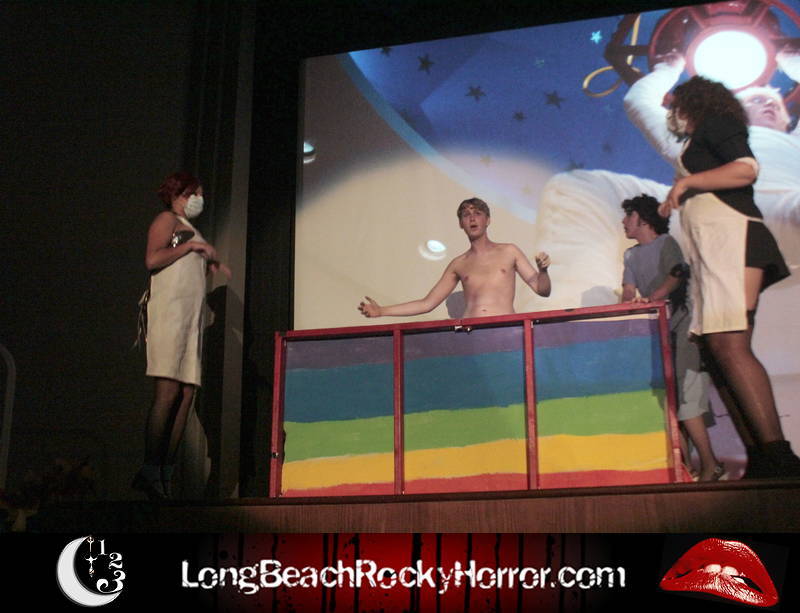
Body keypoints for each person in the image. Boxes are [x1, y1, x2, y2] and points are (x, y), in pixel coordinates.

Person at [658, 75, 800, 478]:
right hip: (713, 251)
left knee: (731, 343)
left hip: (734, 241)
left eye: (677, 107)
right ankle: (760, 458)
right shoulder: (698, 138)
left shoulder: (717, 124)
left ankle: (779, 456)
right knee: (716, 350)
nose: (673, 116)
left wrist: (688, 182)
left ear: (693, 103)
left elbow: (744, 169)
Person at [623, 48, 800, 274]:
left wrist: (791, 60)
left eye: (776, 104)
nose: (769, 105)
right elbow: (639, 101)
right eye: (757, 100)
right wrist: (668, 68)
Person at [133, 172, 231, 499]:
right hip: (170, 315)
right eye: (194, 194)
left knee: (187, 394)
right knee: (168, 390)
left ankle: (166, 470)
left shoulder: (189, 228)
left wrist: (206, 261)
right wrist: (191, 246)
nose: (199, 199)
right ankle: (150, 468)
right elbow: (153, 259)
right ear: (179, 194)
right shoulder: (167, 220)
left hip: (190, 321)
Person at [620, 194, 723, 481]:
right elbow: (628, 289)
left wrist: (652, 297)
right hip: (657, 332)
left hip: (682, 326)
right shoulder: (630, 255)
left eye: (628, 216)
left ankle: (710, 464)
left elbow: (677, 274)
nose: (623, 222)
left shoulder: (667, 244)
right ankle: (687, 468)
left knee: (688, 397)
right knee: (670, 402)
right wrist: (628, 305)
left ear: (642, 219)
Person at [358, 198, 550, 319]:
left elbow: (542, 289)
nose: (472, 218)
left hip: (505, 329)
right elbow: (427, 303)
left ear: (488, 220)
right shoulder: (459, 264)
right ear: (461, 224)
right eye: (466, 215)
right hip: (471, 333)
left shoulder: (509, 251)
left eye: (477, 214)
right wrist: (382, 311)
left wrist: (543, 271)